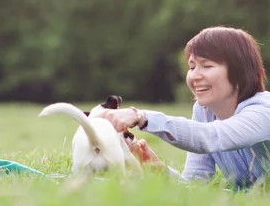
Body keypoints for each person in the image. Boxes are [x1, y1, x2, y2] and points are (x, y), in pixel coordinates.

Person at [101, 26, 270, 189]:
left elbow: (212, 137)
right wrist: (161, 171)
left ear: (239, 72)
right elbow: (197, 185)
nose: (195, 75)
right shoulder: (204, 112)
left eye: (207, 66)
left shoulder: (264, 111)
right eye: (192, 67)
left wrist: (143, 117)